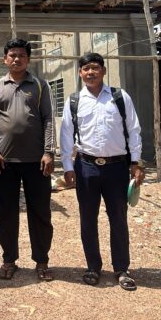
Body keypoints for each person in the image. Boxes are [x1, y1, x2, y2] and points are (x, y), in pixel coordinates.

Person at [60, 52, 145, 291]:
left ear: (104, 71)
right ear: (80, 73)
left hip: (117, 167)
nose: (91, 72)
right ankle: (93, 267)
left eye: (95, 68)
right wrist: (68, 166)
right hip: (86, 166)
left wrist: (136, 163)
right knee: (88, 218)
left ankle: (121, 269)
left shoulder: (120, 97)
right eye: (86, 68)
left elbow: (134, 130)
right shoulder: (74, 101)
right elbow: (66, 135)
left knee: (118, 218)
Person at [0, 38, 56, 282]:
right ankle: (9, 259)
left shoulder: (40, 86)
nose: (17, 59)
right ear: (5, 59)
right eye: (12, 55)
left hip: (37, 162)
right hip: (4, 163)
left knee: (40, 212)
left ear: (28, 59)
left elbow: (49, 118)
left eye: (22, 55)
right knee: (5, 214)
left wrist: (49, 151)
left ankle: (42, 261)